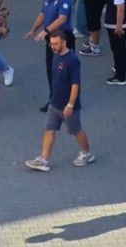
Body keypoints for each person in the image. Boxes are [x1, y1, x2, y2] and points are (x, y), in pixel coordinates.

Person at [25, 29, 94, 171]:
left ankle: (87, 153)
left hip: (68, 106)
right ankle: (44, 160)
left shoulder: (72, 60)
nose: (53, 46)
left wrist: (70, 104)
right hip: (54, 103)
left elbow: (76, 85)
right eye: (51, 44)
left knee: (76, 130)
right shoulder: (56, 55)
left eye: (56, 44)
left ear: (64, 42)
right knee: (49, 130)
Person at [25, 0, 75, 111]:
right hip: (51, 38)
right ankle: (54, 99)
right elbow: (42, 15)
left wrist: (45, 31)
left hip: (64, 38)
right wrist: (33, 29)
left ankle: (70, 101)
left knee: (65, 70)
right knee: (51, 69)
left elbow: (62, 19)